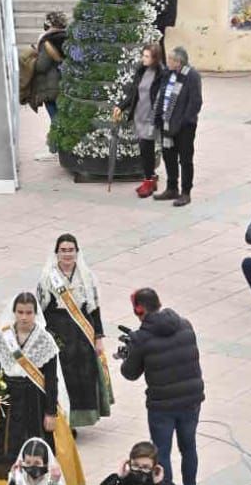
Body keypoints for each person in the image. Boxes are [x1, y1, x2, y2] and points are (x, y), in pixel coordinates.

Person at [0, 293, 84, 485]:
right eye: (20, 312)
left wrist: (50, 412)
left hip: (35, 400)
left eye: (28, 312)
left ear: (35, 313)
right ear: (14, 313)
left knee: (36, 446)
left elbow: (51, 379)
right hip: (7, 398)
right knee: (2, 446)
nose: (24, 317)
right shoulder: (3, 338)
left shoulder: (45, 340)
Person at [119, 288, 204, 485]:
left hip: (162, 405)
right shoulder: (185, 324)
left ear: (140, 310)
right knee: (189, 447)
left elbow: (130, 373)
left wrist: (131, 351)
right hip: (191, 400)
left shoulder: (141, 338)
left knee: (162, 451)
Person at [37, 234, 113, 430]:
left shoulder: (86, 277)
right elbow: (40, 308)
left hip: (82, 334)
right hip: (59, 333)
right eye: (63, 250)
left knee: (84, 376)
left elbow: (94, 309)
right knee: (63, 376)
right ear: (57, 253)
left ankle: (80, 418)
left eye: (71, 250)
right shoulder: (48, 277)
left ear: (77, 252)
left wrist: (98, 337)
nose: (67, 254)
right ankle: (64, 420)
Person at [153, 46, 202, 207]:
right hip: (167, 124)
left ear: (178, 61)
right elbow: (162, 94)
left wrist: (184, 121)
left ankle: (185, 192)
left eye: (170, 60)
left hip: (184, 127)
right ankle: (171, 187)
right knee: (169, 156)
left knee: (185, 159)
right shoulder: (168, 74)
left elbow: (195, 102)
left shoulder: (192, 76)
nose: (167, 62)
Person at [115, 43, 163, 199]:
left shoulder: (162, 74)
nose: (143, 58)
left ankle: (148, 181)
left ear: (155, 58)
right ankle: (151, 178)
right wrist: (121, 107)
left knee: (145, 149)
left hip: (151, 119)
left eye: (147, 56)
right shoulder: (141, 70)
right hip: (139, 117)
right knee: (145, 151)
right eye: (143, 55)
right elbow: (132, 94)